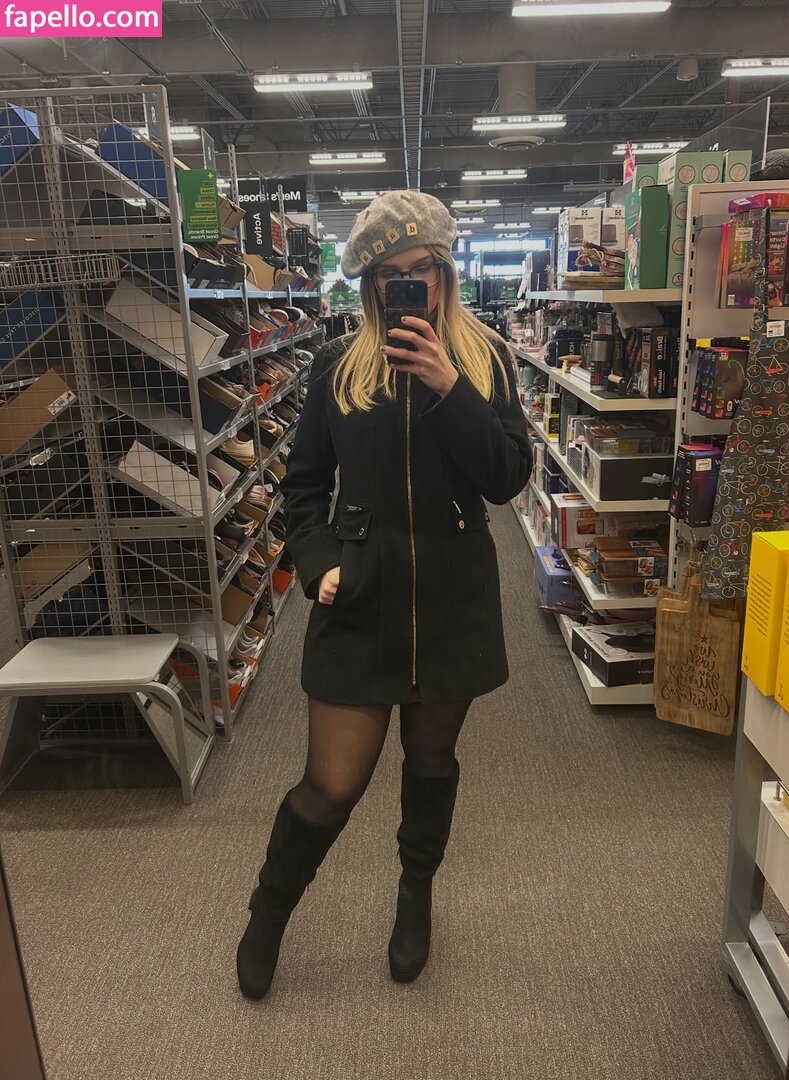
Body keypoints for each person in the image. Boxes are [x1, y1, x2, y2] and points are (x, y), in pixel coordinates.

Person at [237, 190, 533, 1000]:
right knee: (331, 783)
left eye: (424, 269)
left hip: (453, 596)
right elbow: (303, 485)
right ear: (370, 285)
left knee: (431, 759)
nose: (411, 285)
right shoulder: (338, 366)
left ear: (446, 272)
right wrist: (318, 560)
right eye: (391, 275)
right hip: (359, 597)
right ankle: (268, 911)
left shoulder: (487, 358)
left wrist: (449, 386)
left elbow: (506, 478)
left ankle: (415, 895)